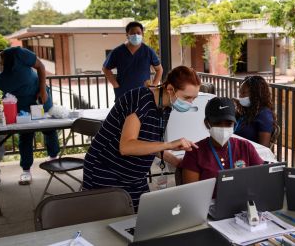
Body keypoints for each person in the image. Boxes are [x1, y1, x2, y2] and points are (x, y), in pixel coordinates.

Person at [83, 66, 200, 210]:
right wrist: (169, 145)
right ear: (170, 89)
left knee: (142, 220)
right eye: (187, 97)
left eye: (194, 98)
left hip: (134, 177)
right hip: (106, 171)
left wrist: (177, 161)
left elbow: (148, 144)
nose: (190, 103)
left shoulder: (165, 107)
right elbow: (127, 146)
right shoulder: (140, 100)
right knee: (107, 223)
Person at [0, 47, 59, 185]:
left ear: (1, 63)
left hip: (38, 95)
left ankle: (53, 158)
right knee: (25, 135)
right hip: (16, 103)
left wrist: (42, 89)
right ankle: (26, 170)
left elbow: (40, 66)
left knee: (49, 128)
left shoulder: (18, 54)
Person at [181, 97, 264, 184]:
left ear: (234, 124)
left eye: (228, 124)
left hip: (241, 197)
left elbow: (261, 178)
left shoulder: (245, 147)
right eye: (217, 123)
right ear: (207, 123)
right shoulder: (194, 152)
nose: (223, 128)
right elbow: (192, 193)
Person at [102, 21, 163, 99]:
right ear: (127, 35)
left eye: (138, 33)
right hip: (123, 93)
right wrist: (115, 85)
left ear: (142, 34)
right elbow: (105, 68)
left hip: (143, 93)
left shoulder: (148, 51)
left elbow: (159, 70)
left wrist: (153, 86)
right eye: (132, 33)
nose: (136, 35)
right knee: (124, 111)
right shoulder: (117, 52)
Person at [234, 75, 276, 147]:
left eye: (243, 93)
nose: (240, 96)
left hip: (248, 155)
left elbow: (263, 147)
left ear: (255, 94)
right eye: (240, 93)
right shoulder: (247, 110)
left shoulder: (264, 114)